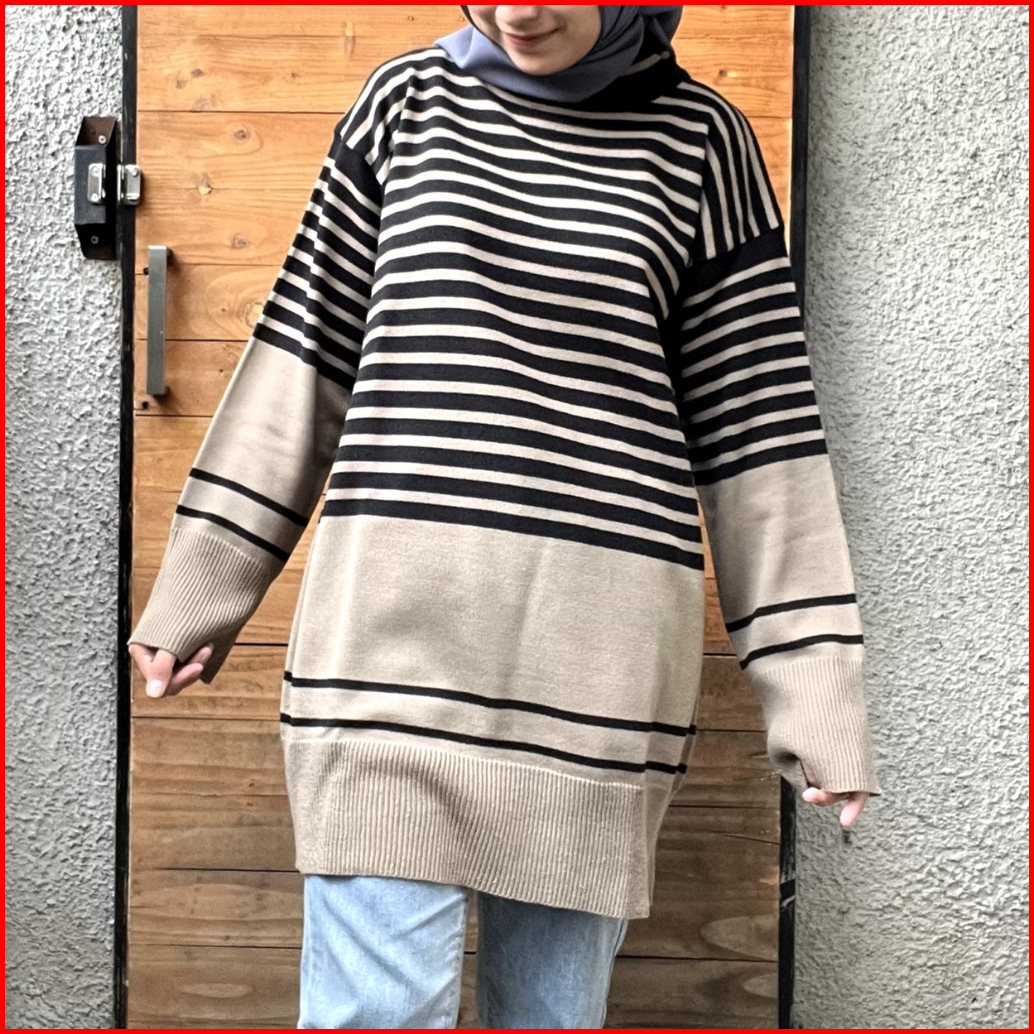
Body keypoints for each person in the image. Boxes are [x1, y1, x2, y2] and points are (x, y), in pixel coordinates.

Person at [128, 5, 882, 1028]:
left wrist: (813, 689)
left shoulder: (702, 145)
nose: (518, 12)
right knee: (371, 1016)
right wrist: (201, 585)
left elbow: (761, 438)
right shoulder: (405, 105)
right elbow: (302, 359)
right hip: (382, 664)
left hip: (594, 690)